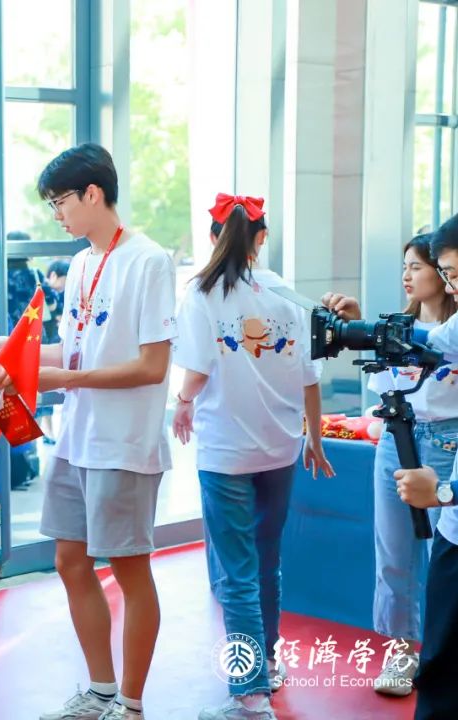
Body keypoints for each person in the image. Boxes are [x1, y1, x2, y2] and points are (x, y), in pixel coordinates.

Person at [0, 143, 175, 720]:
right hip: (76, 440)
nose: (57, 215)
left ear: (93, 193)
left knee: (130, 569)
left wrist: (63, 377)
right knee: (70, 561)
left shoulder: (148, 261)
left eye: (60, 202)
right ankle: (100, 689)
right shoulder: (80, 264)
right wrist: (13, 353)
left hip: (123, 444)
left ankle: (131, 702)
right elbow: (76, 349)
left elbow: (152, 366)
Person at [171, 194, 333, 720]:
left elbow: (196, 371)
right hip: (280, 448)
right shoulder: (287, 294)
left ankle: (250, 693)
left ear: (213, 236)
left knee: (236, 572)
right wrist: (313, 437)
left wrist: (182, 402)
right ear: (262, 237)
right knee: (266, 561)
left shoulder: (202, 293)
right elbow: (310, 376)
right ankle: (267, 663)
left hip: (226, 453)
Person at [372, 213, 458, 720]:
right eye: (405, 266)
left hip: (446, 443)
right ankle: (402, 651)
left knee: (441, 560)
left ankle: (434, 654)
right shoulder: (405, 328)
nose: (409, 275)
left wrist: (445, 492)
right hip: (397, 438)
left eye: (421, 266)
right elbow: (387, 379)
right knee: (394, 552)